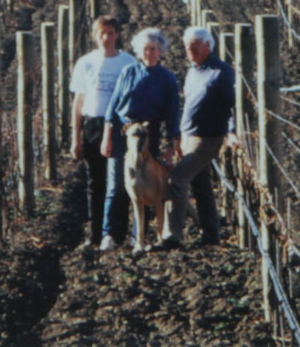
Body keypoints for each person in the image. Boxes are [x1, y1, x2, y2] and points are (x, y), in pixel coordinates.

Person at [99, 27, 180, 251]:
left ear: (160, 51)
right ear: (139, 51)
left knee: (146, 185)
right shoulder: (128, 72)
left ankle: (140, 238)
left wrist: (173, 144)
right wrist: (108, 136)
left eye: (153, 49)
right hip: (123, 131)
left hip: (148, 135)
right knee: (116, 185)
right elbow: (113, 106)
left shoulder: (167, 78)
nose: (149, 53)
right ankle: (110, 234)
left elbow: (173, 113)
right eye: (145, 49)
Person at [160, 26, 235, 248]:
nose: (189, 50)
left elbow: (231, 104)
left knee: (177, 178)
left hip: (208, 137)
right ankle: (211, 237)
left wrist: (231, 131)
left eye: (194, 46)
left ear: (207, 45)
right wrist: (181, 136)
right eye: (186, 46)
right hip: (189, 135)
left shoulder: (221, 72)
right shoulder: (194, 70)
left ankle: (172, 235)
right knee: (202, 186)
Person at [69, 16, 135, 247]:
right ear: (95, 36)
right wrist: (75, 137)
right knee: (95, 182)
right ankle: (95, 233)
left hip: (120, 127)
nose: (106, 37)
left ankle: (117, 233)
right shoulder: (86, 63)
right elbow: (78, 101)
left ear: (117, 35)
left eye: (111, 32)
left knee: (119, 182)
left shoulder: (129, 63)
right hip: (93, 125)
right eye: (102, 33)